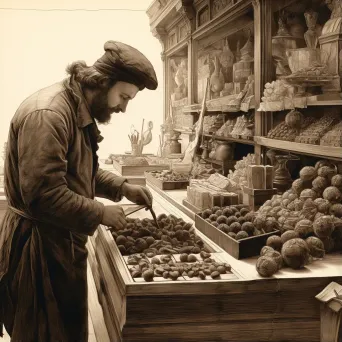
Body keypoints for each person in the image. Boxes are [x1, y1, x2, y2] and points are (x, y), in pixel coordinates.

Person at [0, 40, 158, 341]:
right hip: (38, 253)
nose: (123, 108)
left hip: (59, 243)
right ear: (103, 83)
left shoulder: (76, 107)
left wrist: (121, 187)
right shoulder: (48, 114)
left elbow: (78, 171)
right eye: (123, 96)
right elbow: (44, 196)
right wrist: (101, 212)